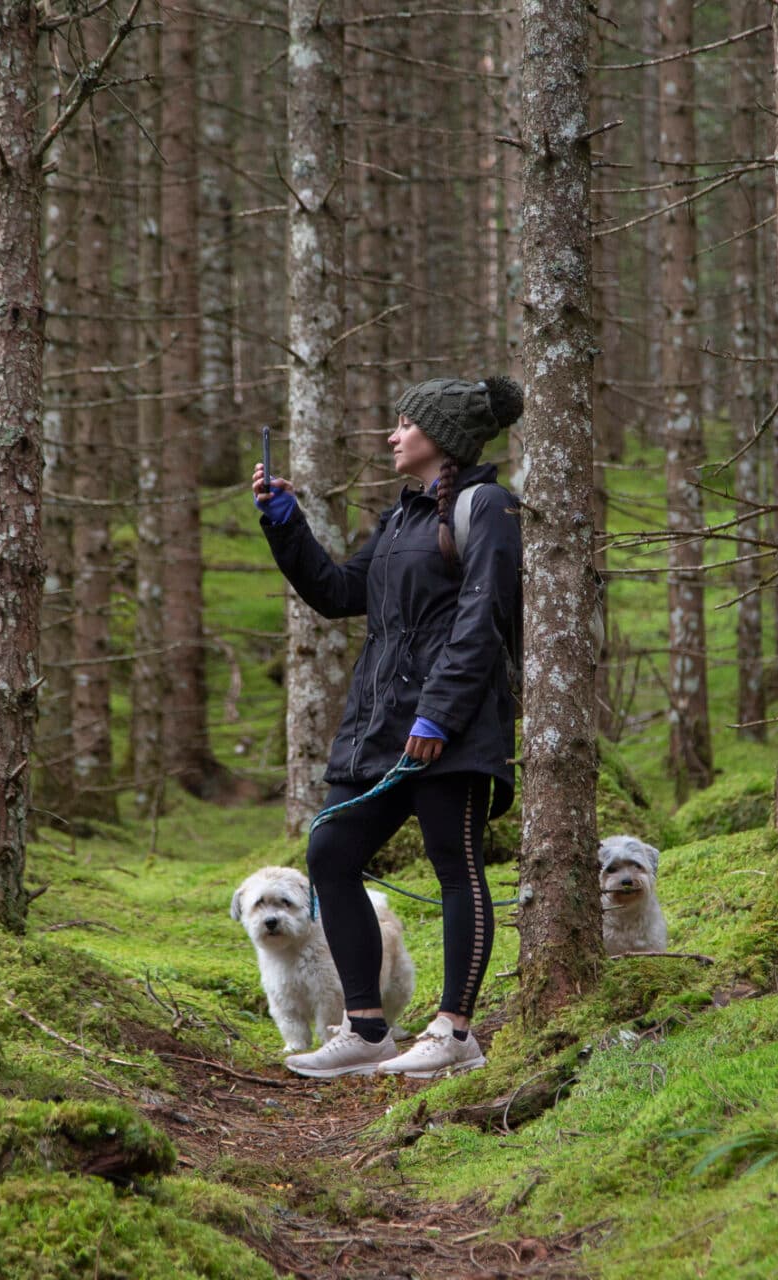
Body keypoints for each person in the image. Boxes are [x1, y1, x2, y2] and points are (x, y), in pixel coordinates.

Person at [252, 375, 524, 1079]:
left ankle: (455, 1031)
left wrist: (441, 712)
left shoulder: (485, 506)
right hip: (378, 731)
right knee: (331, 855)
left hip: (451, 729)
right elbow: (340, 593)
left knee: (455, 867)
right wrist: (286, 523)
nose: (391, 434)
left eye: (405, 423)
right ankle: (367, 1028)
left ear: (441, 438)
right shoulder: (402, 517)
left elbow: (483, 616)